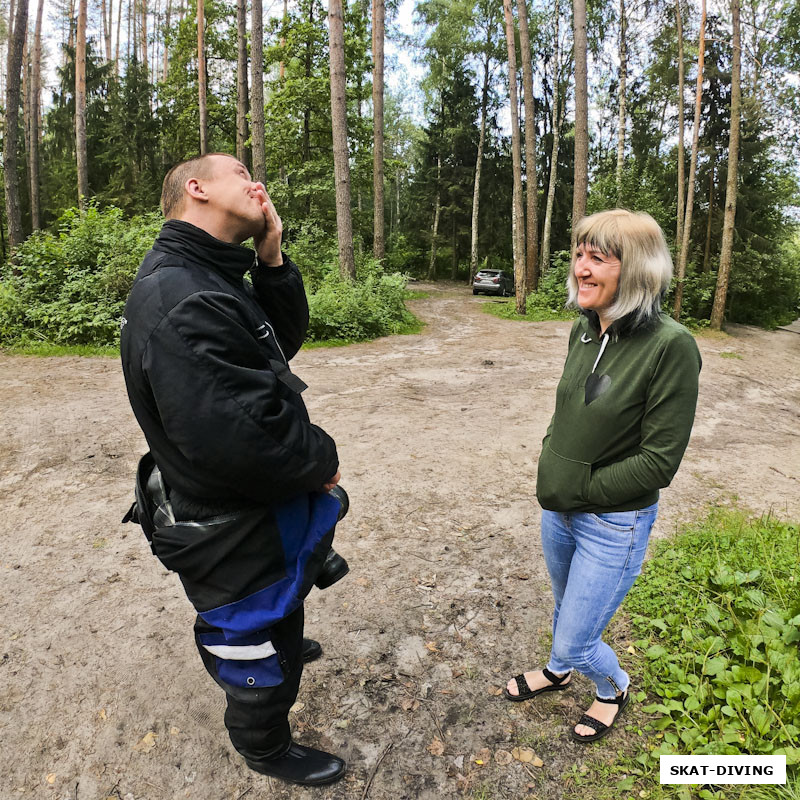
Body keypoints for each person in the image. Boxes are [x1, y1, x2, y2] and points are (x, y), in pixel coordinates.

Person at [120, 153, 347, 785]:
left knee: (284, 595)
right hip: (228, 526)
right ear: (196, 190)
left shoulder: (206, 273)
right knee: (250, 639)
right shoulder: (181, 296)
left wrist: (272, 258)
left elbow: (276, 344)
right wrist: (320, 460)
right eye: (240, 173)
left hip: (248, 505)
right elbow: (242, 440)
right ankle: (264, 746)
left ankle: (281, 630)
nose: (258, 184)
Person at [504, 209, 702, 743]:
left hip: (614, 523)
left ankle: (612, 687)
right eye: (578, 254)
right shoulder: (584, 330)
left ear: (636, 270)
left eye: (598, 257)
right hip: (560, 511)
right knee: (565, 607)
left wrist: (578, 487)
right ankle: (556, 669)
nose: (580, 269)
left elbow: (660, 461)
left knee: (577, 637)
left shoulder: (671, 346)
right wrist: (554, 460)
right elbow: (567, 412)